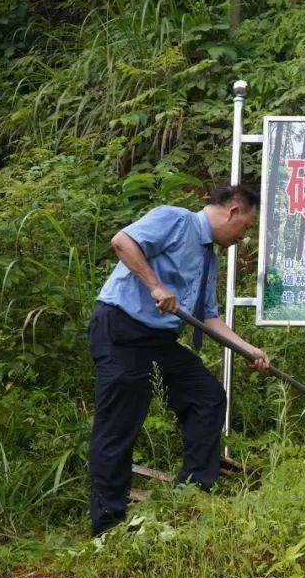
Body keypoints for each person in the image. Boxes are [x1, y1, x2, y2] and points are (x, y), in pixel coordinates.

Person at [87, 184, 271, 535]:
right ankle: (107, 526)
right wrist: (156, 286)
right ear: (232, 212)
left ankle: (191, 494)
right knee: (119, 426)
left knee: (207, 397)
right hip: (121, 328)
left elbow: (210, 319)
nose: (242, 237)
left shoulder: (209, 259)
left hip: (158, 339)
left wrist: (249, 350)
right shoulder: (174, 219)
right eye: (245, 227)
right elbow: (122, 242)